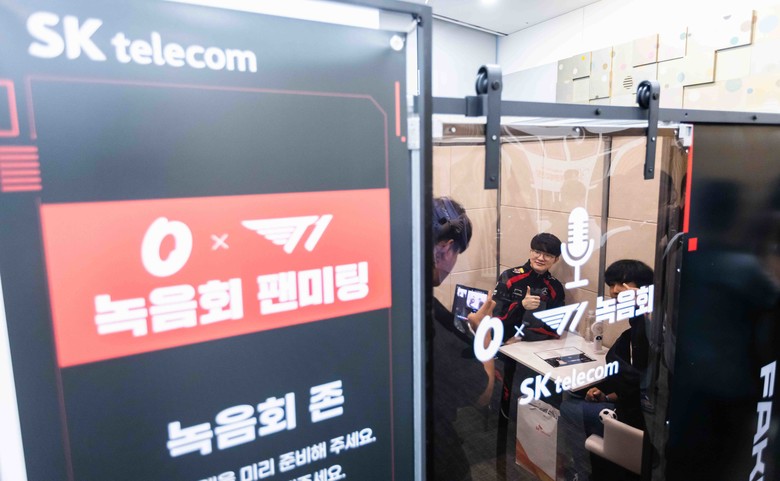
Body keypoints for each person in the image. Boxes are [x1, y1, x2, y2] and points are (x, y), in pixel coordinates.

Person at [559, 259, 654, 481]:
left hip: (640, 419)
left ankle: (585, 472)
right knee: (577, 394)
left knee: (569, 407)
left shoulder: (650, 328)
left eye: (622, 284)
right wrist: (607, 395)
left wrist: (610, 397)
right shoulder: (636, 326)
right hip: (631, 402)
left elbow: (642, 385)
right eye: (611, 285)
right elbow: (634, 383)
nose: (614, 291)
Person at [428, 196, 495, 481]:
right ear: (444, 249)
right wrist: (483, 336)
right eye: (457, 252)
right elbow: (483, 393)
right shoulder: (424, 319)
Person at [492, 233, 566, 343]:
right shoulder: (509, 277)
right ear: (530, 251)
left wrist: (522, 337)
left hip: (537, 344)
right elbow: (496, 318)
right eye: (537, 252)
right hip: (502, 343)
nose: (541, 258)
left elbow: (555, 328)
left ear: (555, 259)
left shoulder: (556, 287)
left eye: (548, 255)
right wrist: (521, 305)